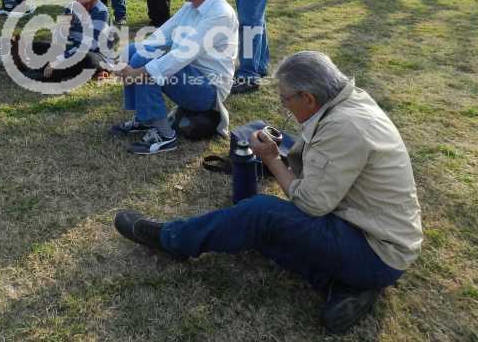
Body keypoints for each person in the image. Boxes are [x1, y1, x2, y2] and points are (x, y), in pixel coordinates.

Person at [113, 51, 423, 335]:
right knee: (257, 230)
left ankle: (173, 239)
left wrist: (272, 160)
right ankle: (344, 285)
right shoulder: (349, 102)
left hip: (376, 251)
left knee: (260, 214)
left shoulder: (344, 127)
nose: (284, 106)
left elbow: (311, 204)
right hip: (368, 235)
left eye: (286, 99)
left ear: (308, 97)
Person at [110, 0, 238, 155]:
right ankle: (145, 119)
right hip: (189, 76)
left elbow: (182, 55)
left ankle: (165, 135)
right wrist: (123, 58)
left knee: (146, 62)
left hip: (208, 90)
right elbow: (159, 37)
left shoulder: (220, 14)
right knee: (136, 51)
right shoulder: (190, 7)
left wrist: (138, 71)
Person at [13, 0, 110, 82]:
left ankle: (41, 74)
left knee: (86, 59)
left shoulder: (100, 11)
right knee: (33, 47)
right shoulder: (71, 7)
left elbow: (88, 45)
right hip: (70, 49)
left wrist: (60, 59)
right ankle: (39, 67)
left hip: (94, 53)